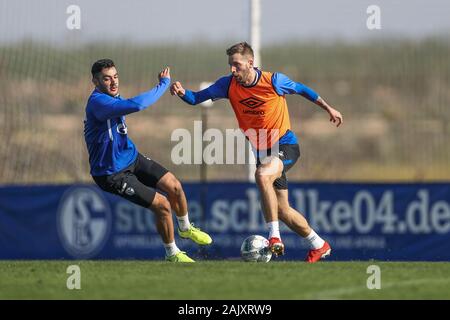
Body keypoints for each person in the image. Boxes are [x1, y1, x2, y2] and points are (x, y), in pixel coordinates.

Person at [170, 42, 343, 263]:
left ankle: (274, 238)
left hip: (284, 145)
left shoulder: (273, 81)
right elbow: (196, 98)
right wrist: (182, 92)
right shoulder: (228, 84)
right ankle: (319, 244)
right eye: (230, 65)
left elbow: (302, 89)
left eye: (237, 65)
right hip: (262, 150)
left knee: (262, 175)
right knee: (282, 210)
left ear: (250, 63)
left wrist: (328, 108)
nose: (233, 70)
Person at [84, 59, 212, 263]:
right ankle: (172, 254)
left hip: (131, 157)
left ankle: (186, 228)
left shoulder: (113, 96)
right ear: (95, 82)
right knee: (162, 205)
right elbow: (138, 104)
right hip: (111, 173)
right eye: (106, 79)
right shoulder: (98, 102)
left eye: (115, 77)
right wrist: (163, 84)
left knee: (175, 186)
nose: (113, 82)